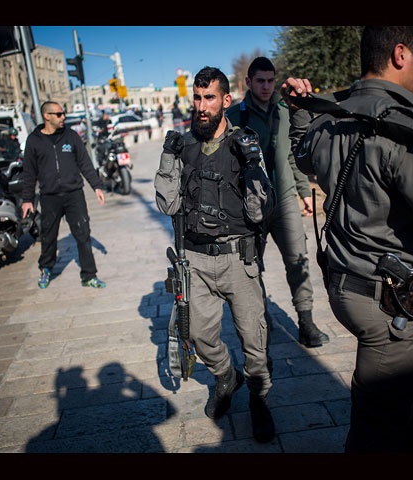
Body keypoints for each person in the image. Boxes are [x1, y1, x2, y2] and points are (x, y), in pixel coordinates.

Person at [281, 26, 413, 452]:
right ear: (401, 54)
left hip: (349, 287)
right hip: (389, 305)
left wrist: (300, 110)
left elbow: (303, 154)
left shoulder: (332, 114)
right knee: (378, 438)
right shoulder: (405, 125)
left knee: (404, 408)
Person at [155, 67, 277, 443]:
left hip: (238, 259)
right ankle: (226, 376)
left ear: (226, 100)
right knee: (198, 333)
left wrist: (253, 164)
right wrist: (166, 158)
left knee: (254, 340)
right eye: (197, 97)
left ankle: (259, 399)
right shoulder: (183, 144)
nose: (201, 106)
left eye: (209, 98)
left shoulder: (244, 142)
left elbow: (260, 211)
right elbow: (168, 203)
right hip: (195, 258)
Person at [226, 57, 330, 347]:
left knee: (299, 259)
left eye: (271, 80)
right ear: (248, 82)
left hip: (283, 200)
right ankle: (262, 319)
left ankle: (306, 323)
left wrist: (302, 193)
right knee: (251, 266)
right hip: (249, 206)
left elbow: (292, 157)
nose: (266, 86)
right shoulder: (235, 116)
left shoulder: (285, 112)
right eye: (260, 81)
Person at [21, 101, 107, 289]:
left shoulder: (71, 136)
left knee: (83, 234)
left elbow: (85, 163)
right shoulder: (34, 141)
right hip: (49, 196)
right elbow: (29, 173)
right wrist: (27, 199)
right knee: (48, 235)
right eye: (59, 114)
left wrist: (97, 187)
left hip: (74, 194)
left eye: (63, 113)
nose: (63, 117)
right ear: (47, 116)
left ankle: (89, 276)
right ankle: (46, 269)